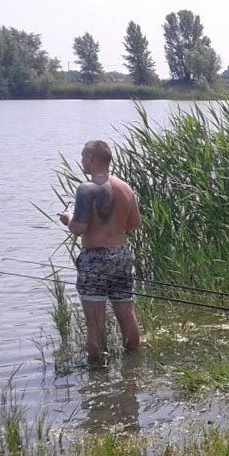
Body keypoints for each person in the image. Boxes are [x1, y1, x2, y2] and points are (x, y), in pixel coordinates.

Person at [59, 140, 141, 364]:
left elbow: (79, 228)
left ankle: (97, 370)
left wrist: (68, 218)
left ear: (93, 158)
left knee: (95, 321)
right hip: (122, 255)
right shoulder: (126, 188)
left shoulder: (87, 189)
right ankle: (133, 365)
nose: (82, 160)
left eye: (84, 156)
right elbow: (134, 224)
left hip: (95, 258)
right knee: (126, 313)